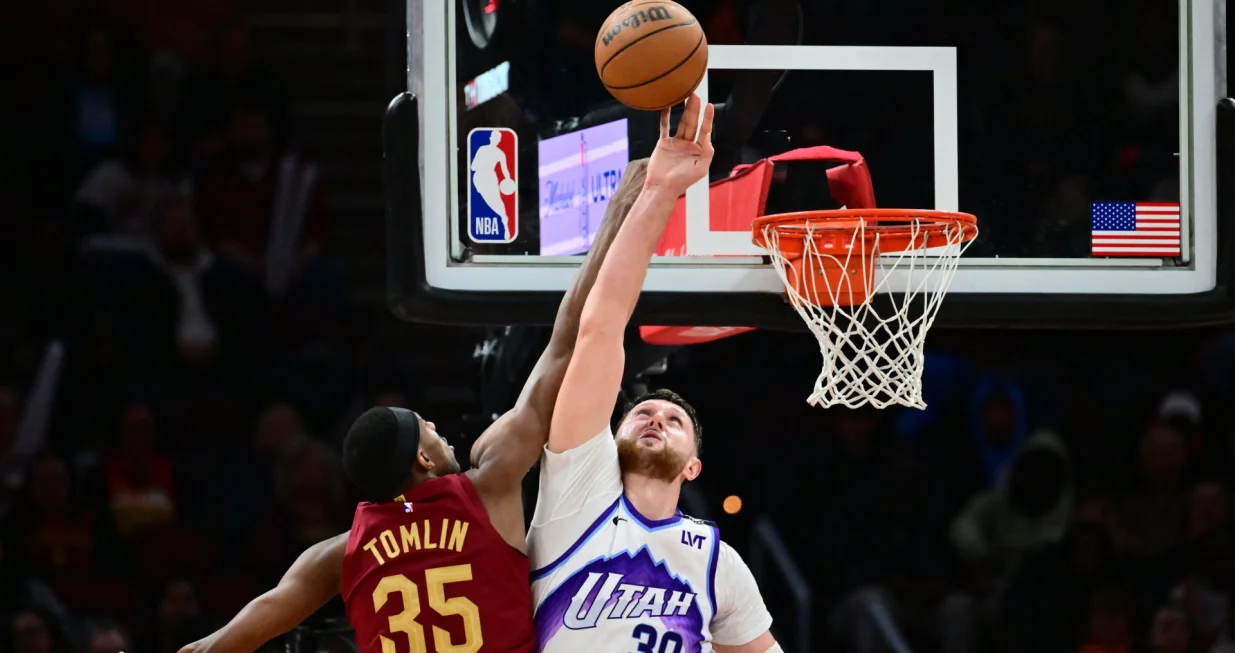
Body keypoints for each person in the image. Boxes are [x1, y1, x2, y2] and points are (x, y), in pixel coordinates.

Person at [178, 143, 661, 652]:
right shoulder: (487, 487)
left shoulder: (337, 556)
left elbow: (214, 647)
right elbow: (569, 339)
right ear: (423, 457)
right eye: (430, 427)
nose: (441, 430)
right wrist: (623, 208)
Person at [529, 95, 779, 653]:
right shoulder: (579, 488)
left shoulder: (717, 560)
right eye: (642, 411)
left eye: (674, 420)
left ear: (694, 466)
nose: (656, 417)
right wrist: (661, 191)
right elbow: (600, 328)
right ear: (609, 440)